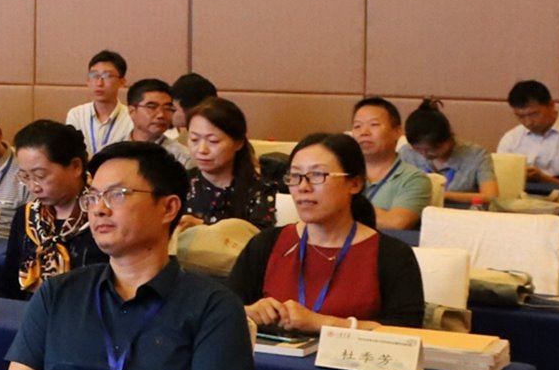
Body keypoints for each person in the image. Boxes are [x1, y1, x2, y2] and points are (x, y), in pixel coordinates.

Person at [0, 141, 252, 370]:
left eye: (117, 195)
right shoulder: (58, 292)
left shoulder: (214, 306)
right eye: (92, 197)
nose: (99, 209)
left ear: (168, 208)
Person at [232, 132, 426, 330]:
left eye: (317, 175)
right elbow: (225, 312)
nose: (303, 187)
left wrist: (323, 323)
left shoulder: (392, 255)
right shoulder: (266, 244)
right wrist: (248, 313)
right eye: (295, 176)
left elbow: (406, 333)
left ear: (355, 183)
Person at [3, 120, 97, 298]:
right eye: (25, 176)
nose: (33, 187)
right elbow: (8, 285)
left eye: (40, 176)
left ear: (76, 166)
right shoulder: (27, 216)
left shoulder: (101, 216)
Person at [183, 97, 275, 227]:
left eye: (213, 141)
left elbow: (259, 237)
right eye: (194, 139)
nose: (202, 150)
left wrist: (202, 226)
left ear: (238, 143)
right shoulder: (178, 184)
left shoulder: (260, 190)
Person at [348, 97, 432, 230]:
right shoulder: (341, 172)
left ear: (397, 132)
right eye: (357, 126)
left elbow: (397, 223)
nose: (364, 132)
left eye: (374, 124)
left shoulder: (414, 179)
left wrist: (340, 207)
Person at [402, 99, 499, 207]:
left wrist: (440, 195)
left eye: (433, 149)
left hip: (461, 214)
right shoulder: (406, 153)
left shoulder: (476, 155)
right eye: (418, 149)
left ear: (450, 136)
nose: (425, 154)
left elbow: (491, 197)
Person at [64, 51, 133, 154]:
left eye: (107, 76)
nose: (99, 83)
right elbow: (71, 152)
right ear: (88, 81)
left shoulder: (132, 117)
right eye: (94, 75)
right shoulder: (76, 114)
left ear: (122, 82)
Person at [126, 78, 190, 167]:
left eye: (167, 108)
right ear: (132, 111)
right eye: (151, 107)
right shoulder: (113, 149)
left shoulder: (181, 157)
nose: (161, 115)